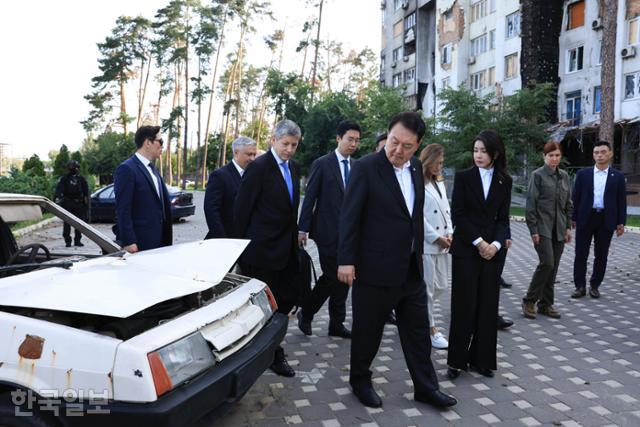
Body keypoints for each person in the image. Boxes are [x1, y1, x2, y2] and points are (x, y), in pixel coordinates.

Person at [337, 112, 457, 409]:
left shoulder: (416, 169)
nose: (398, 151)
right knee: (368, 332)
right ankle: (360, 380)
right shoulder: (365, 168)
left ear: (417, 147)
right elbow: (349, 217)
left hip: (411, 270)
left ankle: (426, 388)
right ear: (387, 135)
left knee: (418, 334)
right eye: (394, 142)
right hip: (374, 270)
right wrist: (345, 261)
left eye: (407, 146)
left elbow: (413, 217)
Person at [233, 119, 302, 378]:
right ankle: (271, 354)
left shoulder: (293, 167)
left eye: (294, 145)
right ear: (273, 140)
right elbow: (242, 210)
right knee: (264, 306)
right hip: (261, 252)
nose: (289, 150)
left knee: (285, 300)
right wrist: (240, 248)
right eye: (285, 144)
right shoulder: (258, 167)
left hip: (286, 250)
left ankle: (272, 347)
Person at [447, 129, 512, 380]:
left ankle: (482, 360)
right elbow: (458, 215)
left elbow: (503, 219)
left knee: (487, 305)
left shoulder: (504, 180)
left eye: (483, 151)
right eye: (475, 150)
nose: (478, 155)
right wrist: (479, 242)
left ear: (495, 153)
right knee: (464, 305)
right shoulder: (464, 178)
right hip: (467, 249)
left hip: (492, 253)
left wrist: (495, 244)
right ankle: (456, 361)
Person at [297, 120, 361, 339]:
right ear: (338, 138)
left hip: (350, 234)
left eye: (356, 140)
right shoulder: (322, 163)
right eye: (349, 139)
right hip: (326, 232)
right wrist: (302, 228)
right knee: (333, 275)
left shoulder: (358, 166)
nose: (353, 144)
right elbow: (310, 197)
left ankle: (336, 324)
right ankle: (307, 310)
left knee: (346, 277)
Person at [522, 142, 572, 319]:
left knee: (554, 267)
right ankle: (529, 300)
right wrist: (533, 230)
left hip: (558, 229)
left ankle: (546, 304)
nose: (554, 158)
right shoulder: (537, 176)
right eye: (551, 155)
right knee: (547, 263)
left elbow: (568, 205)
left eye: (557, 155)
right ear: (544, 157)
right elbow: (530, 205)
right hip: (542, 228)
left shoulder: (564, 176)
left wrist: (567, 228)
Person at [571, 140, 626, 299]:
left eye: (603, 152)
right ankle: (579, 286)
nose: (599, 155)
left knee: (601, 255)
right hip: (585, 218)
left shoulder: (618, 176)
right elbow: (576, 197)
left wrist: (621, 222)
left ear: (610, 154)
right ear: (593, 155)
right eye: (596, 152)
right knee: (580, 253)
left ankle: (595, 286)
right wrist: (573, 218)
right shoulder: (583, 174)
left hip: (606, 219)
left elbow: (621, 201)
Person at [114, 125, 172, 253]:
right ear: (147, 142)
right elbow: (123, 208)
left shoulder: (153, 170)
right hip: (140, 243)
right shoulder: (127, 169)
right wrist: (129, 241)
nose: (162, 145)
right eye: (160, 141)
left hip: (161, 242)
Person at [419, 144, 451, 350]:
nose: (440, 166)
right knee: (427, 290)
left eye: (442, 163)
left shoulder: (439, 182)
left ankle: (414, 314)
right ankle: (430, 329)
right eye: (437, 162)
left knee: (441, 286)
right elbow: (418, 217)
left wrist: (450, 233)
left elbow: (446, 208)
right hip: (427, 244)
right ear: (428, 160)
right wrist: (435, 237)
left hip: (443, 243)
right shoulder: (417, 183)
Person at [203, 136, 257, 239]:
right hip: (226, 241)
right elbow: (211, 211)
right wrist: (222, 240)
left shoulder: (254, 176)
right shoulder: (219, 176)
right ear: (236, 153)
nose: (252, 159)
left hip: (249, 242)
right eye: (249, 154)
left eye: (254, 155)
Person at [54, 160, 89, 247]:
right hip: (68, 203)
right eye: (74, 167)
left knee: (79, 223)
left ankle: (77, 240)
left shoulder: (81, 179)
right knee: (67, 223)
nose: (76, 169)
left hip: (79, 204)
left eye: (77, 167)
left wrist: (86, 203)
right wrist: (59, 198)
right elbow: (59, 190)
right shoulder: (64, 179)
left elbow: (86, 192)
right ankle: (68, 241)